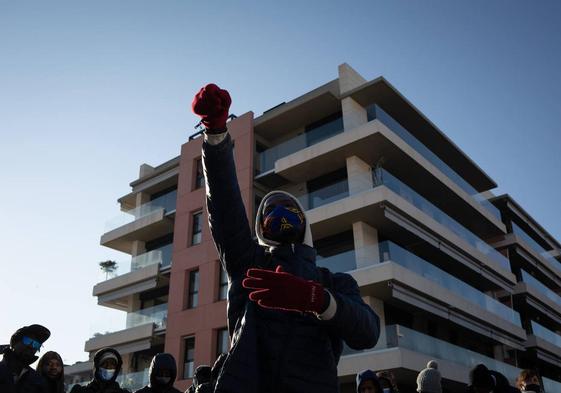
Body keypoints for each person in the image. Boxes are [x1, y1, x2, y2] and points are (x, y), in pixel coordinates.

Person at [191, 83, 380, 393]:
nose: (280, 216)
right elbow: (224, 206)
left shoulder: (334, 283)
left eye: (290, 212)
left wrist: (317, 299)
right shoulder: (247, 264)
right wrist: (215, 136)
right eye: (271, 213)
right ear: (261, 229)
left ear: (305, 225)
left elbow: (368, 332)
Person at [0, 323, 50, 393]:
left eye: (36, 344)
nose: (31, 346)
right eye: (28, 341)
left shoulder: (38, 381)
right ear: (15, 342)